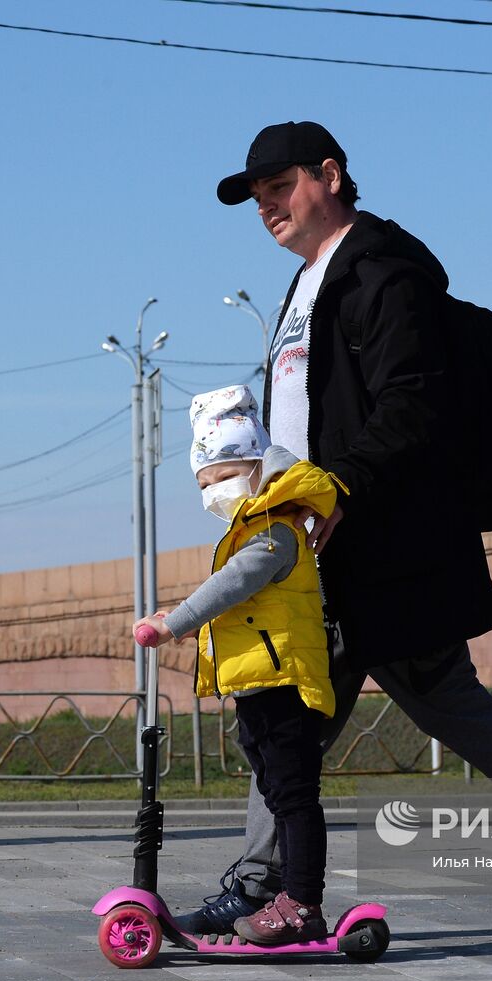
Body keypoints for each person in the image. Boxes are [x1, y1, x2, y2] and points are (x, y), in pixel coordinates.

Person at [177, 121, 492, 947]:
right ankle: (266, 886)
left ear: (330, 175)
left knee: (352, 712)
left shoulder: (384, 275)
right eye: (256, 196)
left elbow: (412, 408)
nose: (266, 205)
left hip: (382, 549)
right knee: (321, 714)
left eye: (279, 186)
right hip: (323, 550)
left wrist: (340, 486)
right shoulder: (307, 284)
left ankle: (263, 886)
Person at [134, 384, 344, 945]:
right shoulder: (251, 527)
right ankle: (283, 895)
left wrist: (172, 623)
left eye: (219, 480)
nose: (212, 495)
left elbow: (232, 585)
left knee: (295, 797)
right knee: (277, 793)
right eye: (203, 486)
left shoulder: (275, 534)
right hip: (258, 685)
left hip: (284, 684)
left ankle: (302, 904)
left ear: (254, 467)